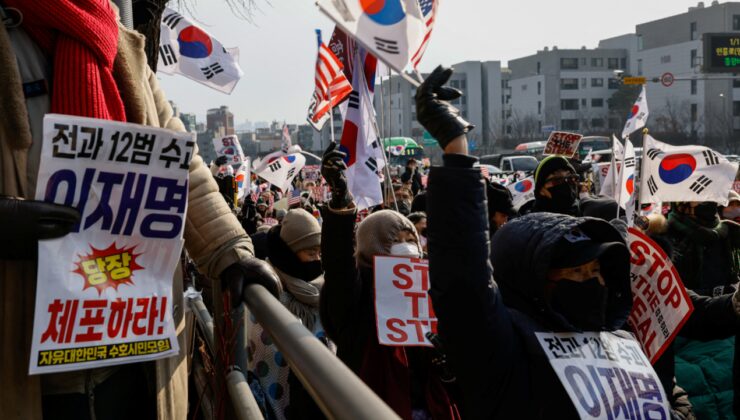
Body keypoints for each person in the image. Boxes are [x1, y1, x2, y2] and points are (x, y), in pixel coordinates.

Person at [0, 2, 278, 418]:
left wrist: (230, 250)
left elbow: (178, 158)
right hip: (28, 360)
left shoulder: (120, 43)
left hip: (134, 358)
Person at [417, 66, 635, 418]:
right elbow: (463, 282)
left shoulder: (621, 342)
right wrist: (457, 153)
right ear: (534, 282)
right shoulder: (506, 348)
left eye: (596, 271)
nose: (593, 282)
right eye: (577, 272)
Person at [319, 143, 461, 419]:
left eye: (411, 240)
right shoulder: (356, 291)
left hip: (431, 406)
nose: (408, 247)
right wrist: (340, 206)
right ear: (373, 246)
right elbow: (338, 267)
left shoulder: (429, 286)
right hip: (370, 405)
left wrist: (446, 361)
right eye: (395, 241)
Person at [246, 209, 327, 420]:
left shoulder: (323, 292)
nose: (317, 260)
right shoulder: (264, 293)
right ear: (290, 254)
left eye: (320, 253)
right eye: (311, 253)